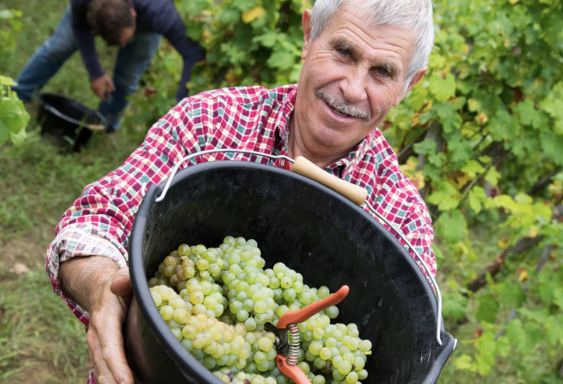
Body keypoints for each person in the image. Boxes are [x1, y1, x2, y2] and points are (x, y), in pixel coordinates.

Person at [46, 0, 435, 382]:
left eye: (382, 71)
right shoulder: (211, 123)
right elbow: (90, 225)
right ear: (308, 36)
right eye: (343, 52)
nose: (352, 88)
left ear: (409, 85)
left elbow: (410, 355)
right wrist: (101, 291)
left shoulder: (401, 217)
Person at [13, 0, 205, 131]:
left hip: (146, 24)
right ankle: (17, 96)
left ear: (133, 13)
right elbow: (79, 26)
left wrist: (183, 105)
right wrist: (95, 72)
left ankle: (105, 124)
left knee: (127, 78)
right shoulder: (83, 4)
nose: (123, 46)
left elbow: (193, 54)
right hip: (94, 12)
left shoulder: (158, 12)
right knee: (57, 48)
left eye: (123, 39)